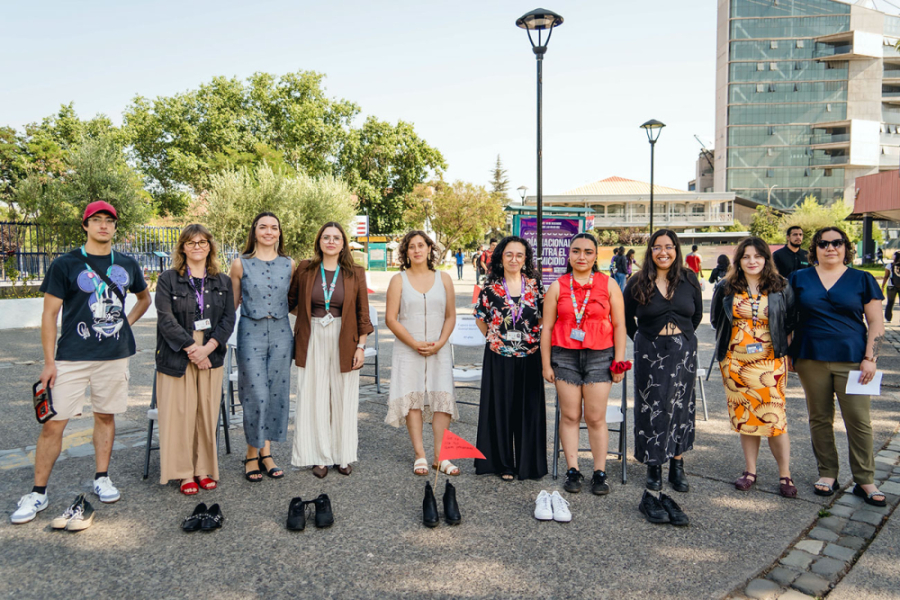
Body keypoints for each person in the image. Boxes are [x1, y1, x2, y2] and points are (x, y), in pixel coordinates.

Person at [11, 201, 151, 525]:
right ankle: (38, 493)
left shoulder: (128, 263)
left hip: (114, 357)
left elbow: (145, 298)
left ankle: (102, 477)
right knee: (53, 424)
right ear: (85, 225)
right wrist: (49, 362)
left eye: (109, 221)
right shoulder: (66, 264)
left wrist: (126, 323)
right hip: (71, 358)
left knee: (105, 416)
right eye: (96, 220)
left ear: (116, 227)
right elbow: (49, 315)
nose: (103, 225)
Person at [790, 227, 886, 506]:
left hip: (854, 360)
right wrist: (786, 350)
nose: (830, 247)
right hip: (810, 357)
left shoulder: (862, 279)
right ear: (815, 248)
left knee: (858, 420)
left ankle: (865, 479)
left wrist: (871, 357)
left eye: (837, 243)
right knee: (819, 417)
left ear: (846, 247)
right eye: (823, 243)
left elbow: (876, 323)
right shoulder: (799, 278)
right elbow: (787, 316)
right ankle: (828, 473)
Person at [541, 233, 627, 496]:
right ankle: (573, 470)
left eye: (588, 252)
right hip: (565, 356)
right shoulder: (557, 286)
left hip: (601, 356)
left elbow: (619, 324)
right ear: (569, 255)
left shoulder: (609, 284)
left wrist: (619, 361)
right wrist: (546, 364)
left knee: (595, 417)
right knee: (569, 415)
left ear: (595, 255)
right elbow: (547, 328)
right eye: (576, 251)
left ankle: (600, 473)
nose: (582, 257)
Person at [710, 238, 797, 498]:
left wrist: (784, 353)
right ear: (739, 261)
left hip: (771, 363)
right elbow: (717, 320)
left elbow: (791, 322)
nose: (752, 261)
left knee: (776, 420)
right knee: (746, 418)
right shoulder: (726, 287)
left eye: (758, 256)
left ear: (765, 259)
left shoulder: (781, 287)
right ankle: (750, 471)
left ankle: (785, 474)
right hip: (736, 362)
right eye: (746, 256)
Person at [155, 224, 236, 494]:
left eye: (202, 242)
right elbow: (165, 319)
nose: (197, 246)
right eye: (191, 242)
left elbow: (228, 319)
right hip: (178, 352)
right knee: (180, 414)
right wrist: (193, 349)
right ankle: (183, 472)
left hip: (211, 352)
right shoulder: (168, 279)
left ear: (210, 246)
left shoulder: (222, 281)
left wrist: (208, 348)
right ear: (183, 248)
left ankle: (202, 469)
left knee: (206, 413)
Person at [288, 222, 373, 478]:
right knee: (313, 397)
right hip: (312, 336)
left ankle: (342, 454)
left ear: (343, 243)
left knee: (343, 397)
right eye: (326, 237)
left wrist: (361, 346)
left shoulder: (355, 272)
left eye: (336, 238)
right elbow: (290, 301)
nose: (331, 241)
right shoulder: (305, 268)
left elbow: (363, 313)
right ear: (319, 241)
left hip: (344, 337)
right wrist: (306, 320)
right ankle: (319, 456)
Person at [624, 229, 702, 506]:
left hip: (683, 352)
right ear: (650, 251)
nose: (663, 252)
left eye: (669, 247)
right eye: (657, 247)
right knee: (652, 407)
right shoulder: (637, 281)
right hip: (649, 352)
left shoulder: (689, 279)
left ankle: (677, 465)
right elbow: (625, 318)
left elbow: (697, 315)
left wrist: (683, 338)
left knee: (680, 406)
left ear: (676, 250)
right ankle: (653, 465)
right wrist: (645, 341)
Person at [385, 231, 458, 476]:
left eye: (421, 245)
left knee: (442, 399)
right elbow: (391, 319)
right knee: (413, 399)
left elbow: (450, 316)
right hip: (408, 348)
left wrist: (440, 342)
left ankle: (440, 456)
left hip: (439, 348)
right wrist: (414, 343)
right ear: (406, 252)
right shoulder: (398, 280)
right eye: (411, 247)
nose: (417, 250)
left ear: (429, 249)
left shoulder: (444, 279)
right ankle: (420, 455)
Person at [473, 235, 547, 481]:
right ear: (501, 257)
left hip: (530, 355)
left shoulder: (536, 286)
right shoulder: (490, 287)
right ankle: (504, 464)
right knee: (501, 410)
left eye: (519, 255)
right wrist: (497, 340)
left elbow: (543, 318)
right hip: (498, 356)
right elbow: (480, 317)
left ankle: (528, 465)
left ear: (526, 259)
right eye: (509, 254)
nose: (514, 259)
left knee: (528, 411)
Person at [228, 212, 295, 482]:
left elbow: (297, 302)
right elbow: (231, 306)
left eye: (274, 228)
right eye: (263, 227)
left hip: (281, 332)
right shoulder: (240, 264)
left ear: (280, 233)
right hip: (250, 332)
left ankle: (266, 453)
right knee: (256, 394)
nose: (269, 231)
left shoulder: (290, 264)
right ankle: (251, 454)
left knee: (277, 393)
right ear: (254, 231)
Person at [880, 251, 900, 323]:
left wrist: (882, 286)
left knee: (890, 302)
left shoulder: (890, 265)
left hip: (891, 286)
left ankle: (888, 318)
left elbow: (886, 276)